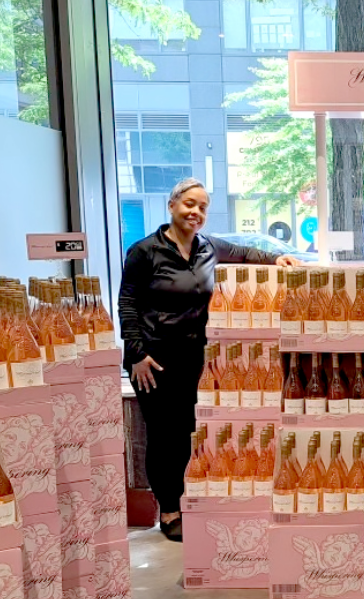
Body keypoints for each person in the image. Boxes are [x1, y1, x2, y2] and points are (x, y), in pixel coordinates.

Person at [119, 178, 300, 541]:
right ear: (171, 205)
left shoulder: (208, 247)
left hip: (197, 358)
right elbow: (127, 303)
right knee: (164, 435)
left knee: (190, 432)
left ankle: (189, 503)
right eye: (189, 204)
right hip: (154, 360)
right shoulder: (145, 251)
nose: (195, 212)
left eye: (202, 207)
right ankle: (168, 511)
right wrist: (137, 353)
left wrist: (276, 258)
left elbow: (246, 252)